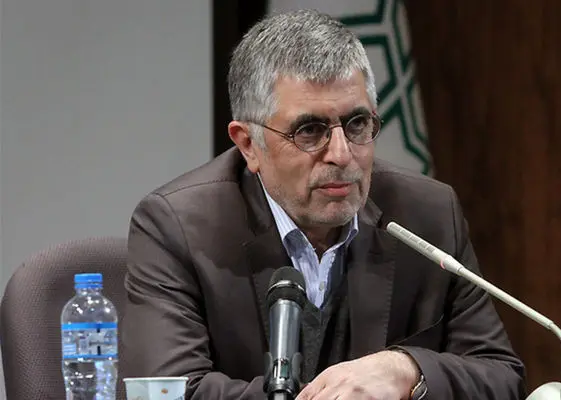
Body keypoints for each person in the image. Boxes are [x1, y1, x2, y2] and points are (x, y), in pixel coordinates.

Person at [121, 9, 525, 400]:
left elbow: (501, 377)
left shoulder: (427, 213)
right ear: (248, 145)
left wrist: (406, 370)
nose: (342, 154)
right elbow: (169, 391)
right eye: (310, 130)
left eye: (357, 124)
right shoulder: (178, 227)